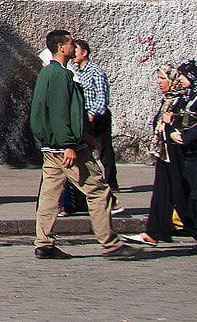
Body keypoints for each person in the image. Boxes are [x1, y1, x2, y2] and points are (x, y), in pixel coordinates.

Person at [32, 28, 130, 259]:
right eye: (71, 43)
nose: (74, 47)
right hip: (66, 147)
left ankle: (44, 243)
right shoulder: (60, 75)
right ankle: (110, 244)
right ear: (61, 47)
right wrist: (69, 144)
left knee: (49, 195)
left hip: (52, 147)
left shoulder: (47, 73)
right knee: (98, 190)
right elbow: (59, 112)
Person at [132, 61, 197, 247]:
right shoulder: (172, 98)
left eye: (162, 78)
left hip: (178, 153)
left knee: (181, 195)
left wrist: (175, 124)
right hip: (165, 152)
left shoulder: (182, 99)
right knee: (164, 193)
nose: (159, 82)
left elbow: (187, 123)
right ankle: (154, 231)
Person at [73, 39, 118, 202]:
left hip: (98, 116)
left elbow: (102, 97)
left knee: (104, 149)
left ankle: (111, 182)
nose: (73, 54)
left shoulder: (95, 71)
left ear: (84, 53)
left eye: (76, 50)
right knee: (85, 149)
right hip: (84, 116)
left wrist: (93, 114)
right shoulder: (77, 72)